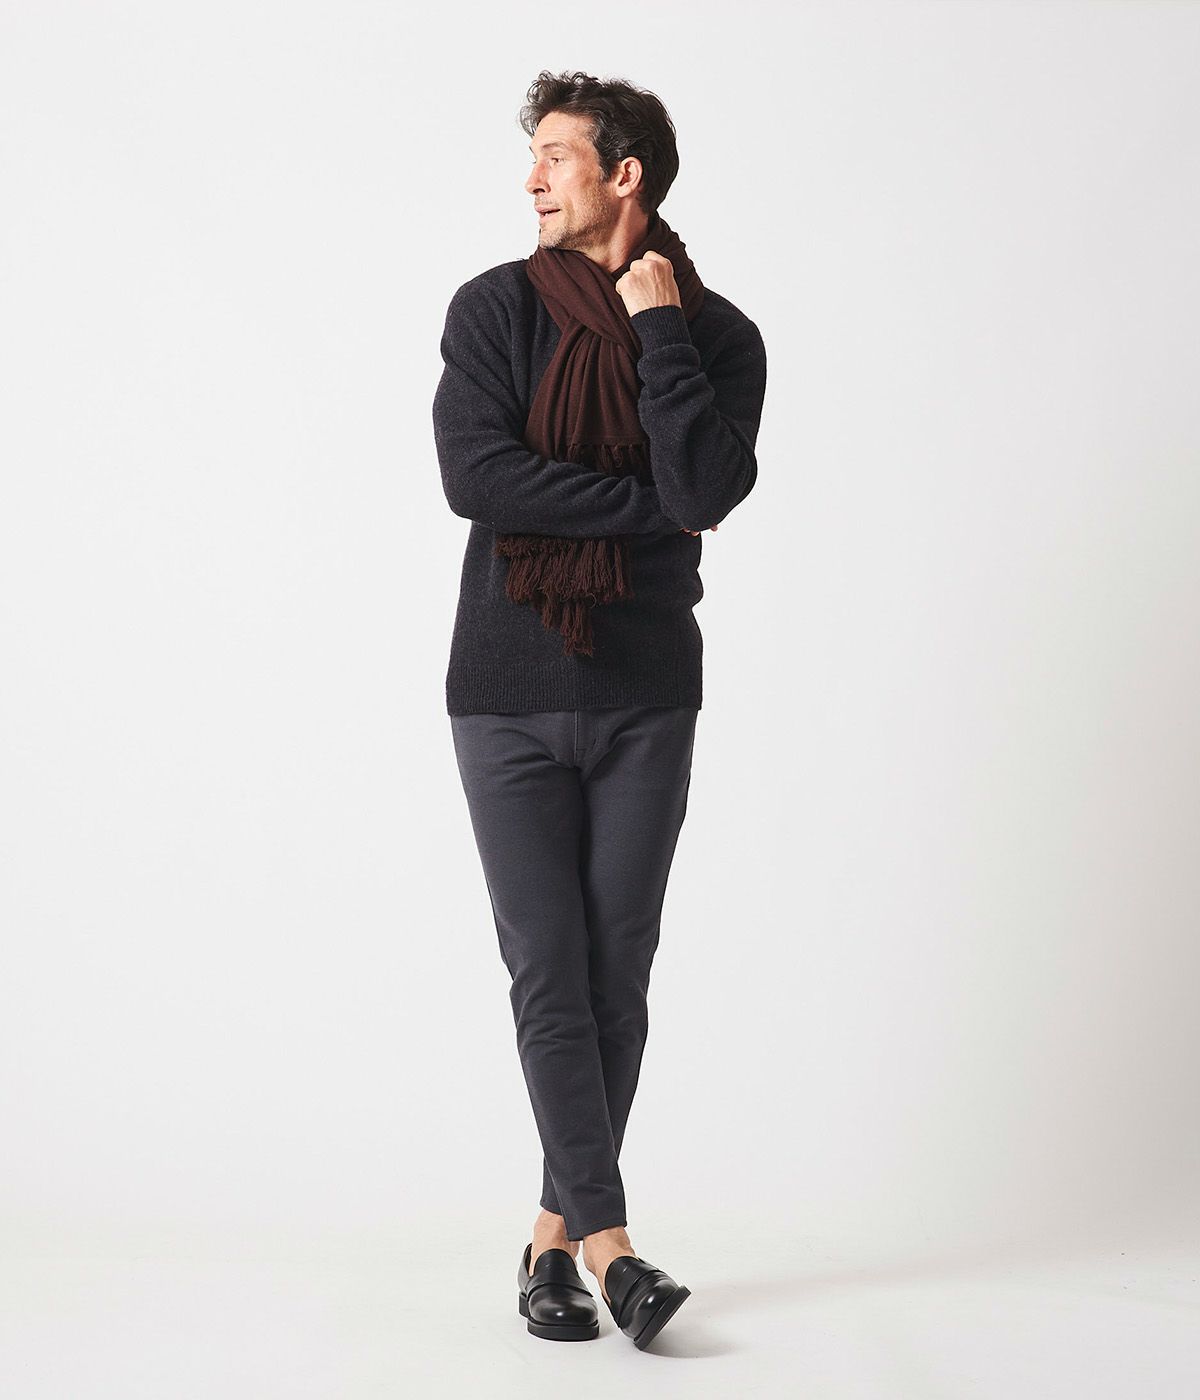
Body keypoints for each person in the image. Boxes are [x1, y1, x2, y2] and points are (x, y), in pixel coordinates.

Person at [431, 70, 768, 1349]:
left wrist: (659, 328)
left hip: (643, 691)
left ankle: (550, 1240)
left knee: (615, 971)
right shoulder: (492, 310)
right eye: (535, 157)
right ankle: (615, 1245)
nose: (532, 178)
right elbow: (479, 476)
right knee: (547, 966)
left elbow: (709, 483)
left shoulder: (719, 336)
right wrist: (651, 512)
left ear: (624, 176)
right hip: (506, 690)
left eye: (557, 156)